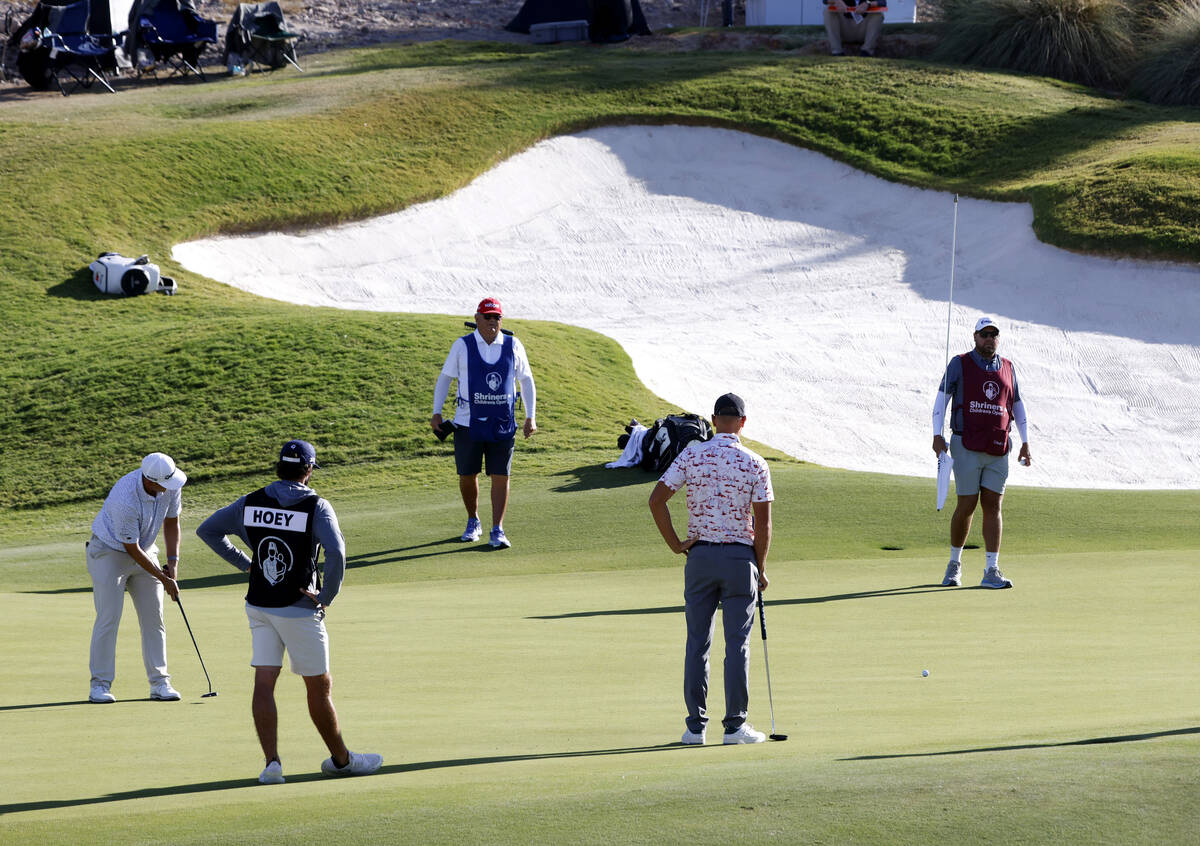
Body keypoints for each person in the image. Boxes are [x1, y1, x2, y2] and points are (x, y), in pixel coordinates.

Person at [196, 439, 382, 785]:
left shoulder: (251, 501)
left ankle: (272, 764)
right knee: (318, 686)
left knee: (265, 681)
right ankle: (342, 761)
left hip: (259, 605)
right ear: (308, 470)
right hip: (298, 608)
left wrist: (247, 564)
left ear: (279, 467)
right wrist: (326, 596)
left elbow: (208, 530)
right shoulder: (316, 506)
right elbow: (337, 553)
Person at [648, 393, 774, 746]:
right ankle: (734, 727)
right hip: (739, 560)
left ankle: (694, 729)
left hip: (700, 558)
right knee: (737, 646)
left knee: (697, 644)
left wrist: (676, 544)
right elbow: (763, 527)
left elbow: (656, 500)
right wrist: (760, 569)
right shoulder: (755, 462)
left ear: (715, 420)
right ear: (743, 423)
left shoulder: (691, 454)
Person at [932, 317, 1032, 589]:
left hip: (998, 447)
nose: (989, 339)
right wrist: (937, 434)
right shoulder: (960, 363)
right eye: (984, 334)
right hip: (966, 445)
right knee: (966, 505)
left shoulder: (1009, 368)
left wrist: (1025, 441)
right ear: (975, 337)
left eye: (993, 334)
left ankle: (991, 569)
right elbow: (942, 398)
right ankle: (954, 566)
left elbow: (1017, 405)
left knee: (994, 506)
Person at [431, 297, 537, 549]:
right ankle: (473, 520)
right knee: (468, 474)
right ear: (476, 319)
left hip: (502, 423)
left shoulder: (513, 345)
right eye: (487, 317)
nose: (492, 322)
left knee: (501, 475)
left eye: (497, 317)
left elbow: (527, 380)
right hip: (467, 423)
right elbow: (445, 378)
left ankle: (497, 528)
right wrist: (436, 412)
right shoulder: (462, 346)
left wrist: (531, 416)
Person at [86, 452, 187, 704]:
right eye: (166, 482)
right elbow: (131, 548)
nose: (171, 486)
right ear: (151, 481)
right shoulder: (125, 497)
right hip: (109, 551)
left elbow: (172, 522)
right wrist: (163, 579)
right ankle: (99, 685)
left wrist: (173, 563)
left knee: (155, 619)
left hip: (145, 550)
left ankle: (160, 683)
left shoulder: (170, 485)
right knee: (109, 618)